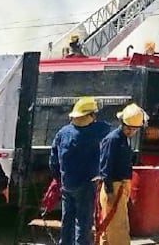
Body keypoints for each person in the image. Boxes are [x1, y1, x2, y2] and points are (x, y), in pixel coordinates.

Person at [49, 97, 110, 245]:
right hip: (85, 185)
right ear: (89, 115)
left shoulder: (63, 133)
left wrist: (60, 178)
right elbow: (108, 128)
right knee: (83, 223)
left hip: (67, 184)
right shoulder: (96, 131)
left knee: (67, 221)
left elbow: (53, 160)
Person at [97, 103, 147, 245]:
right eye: (129, 128)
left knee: (109, 226)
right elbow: (105, 167)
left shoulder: (123, 139)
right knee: (118, 227)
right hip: (113, 187)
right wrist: (110, 192)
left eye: (134, 129)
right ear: (123, 123)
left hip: (120, 186)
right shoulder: (113, 140)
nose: (131, 131)